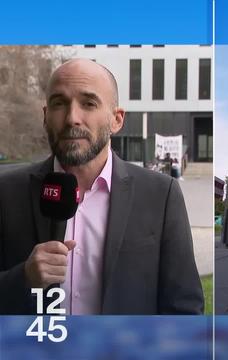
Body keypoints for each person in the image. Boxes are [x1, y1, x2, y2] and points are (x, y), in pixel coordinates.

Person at [0, 59, 203, 315]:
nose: (72, 118)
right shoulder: (7, 193)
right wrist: (24, 279)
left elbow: (184, 308)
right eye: (59, 103)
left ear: (116, 120)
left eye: (88, 103)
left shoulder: (161, 195)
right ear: (45, 116)